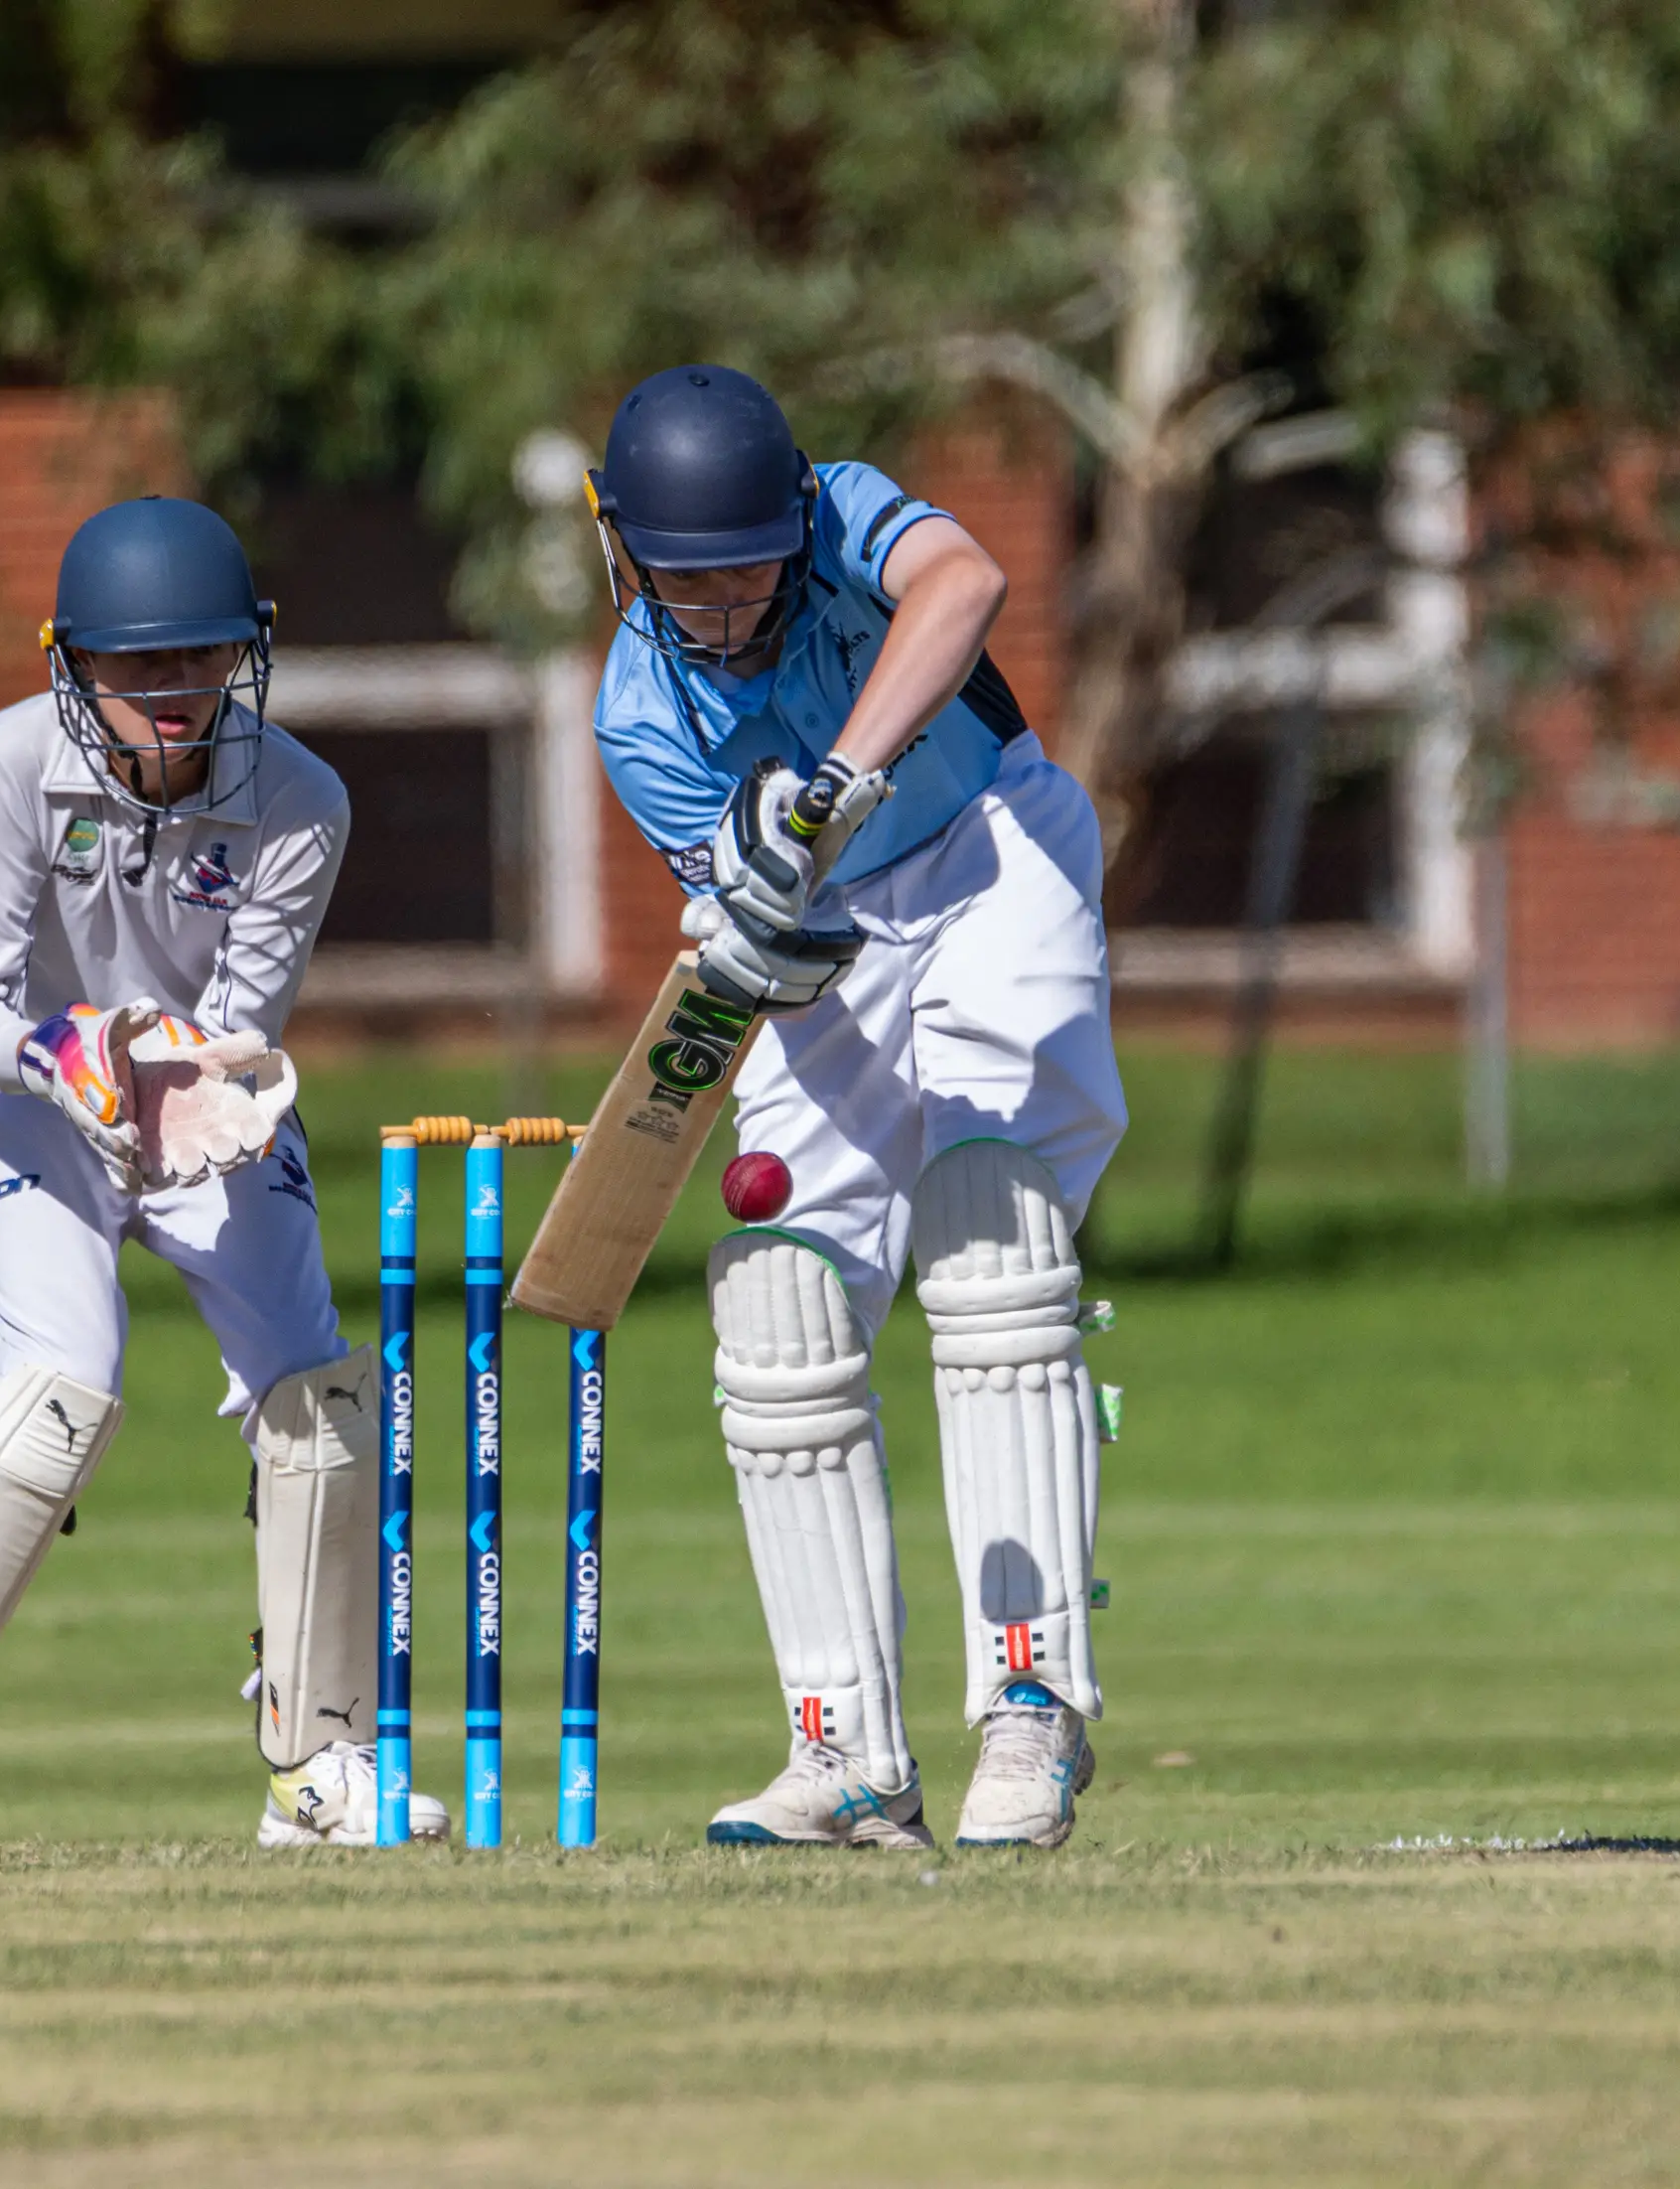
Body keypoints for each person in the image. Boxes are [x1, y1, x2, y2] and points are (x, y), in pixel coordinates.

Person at [0, 497, 447, 1849]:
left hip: (197, 1104)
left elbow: (243, 1025)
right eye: (135, 667)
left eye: (196, 661)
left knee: (317, 1391)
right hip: (28, 1096)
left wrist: (185, 1087)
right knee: (61, 1384)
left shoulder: (301, 797)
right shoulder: (12, 762)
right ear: (71, 664)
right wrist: (59, 1051)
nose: (169, 695)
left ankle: (318, 1768)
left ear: (241, 655)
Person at [583, 365, 1128, 1849]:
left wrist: (823, 792)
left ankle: (1029, 1710)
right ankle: (845, 1753)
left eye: (750, 562)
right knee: (778, 1296)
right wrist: (763, 922)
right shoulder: (634, 714)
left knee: (988, 1223)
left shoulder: (845, 517)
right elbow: (769, 932)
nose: (728, 602)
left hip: (987, 851)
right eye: (687, 579)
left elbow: (966, 586)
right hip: (840, 940)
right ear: (624, 550)